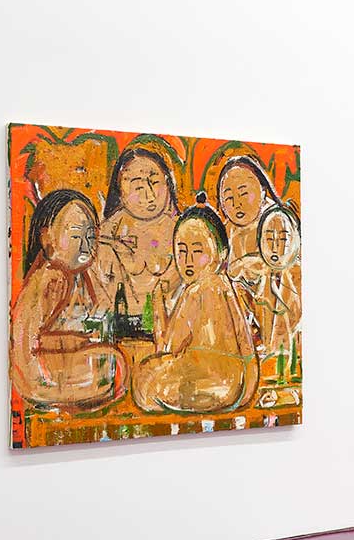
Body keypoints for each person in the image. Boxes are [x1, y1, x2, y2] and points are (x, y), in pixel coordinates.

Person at [133, 196, 259, 414]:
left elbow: (167, 349)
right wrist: (243, 391)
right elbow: (247, 351)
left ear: (222, 253)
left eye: (198, 251)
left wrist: (158, 302)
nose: (188, 260)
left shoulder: (195, 291)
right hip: (237, 387)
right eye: (182, 251)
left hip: (207, 386)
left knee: (143, 377)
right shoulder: (227, 287)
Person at [10, 189, 126, 411]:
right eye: (75, 236)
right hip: (43, 382)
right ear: (47, 238)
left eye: (90, 236)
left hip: (65, 375)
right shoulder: (52, 278)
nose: (85, 245)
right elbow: (25, 351)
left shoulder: (81, 276)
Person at [95, 146, 179, 315]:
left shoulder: (183, 230)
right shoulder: (109, 231)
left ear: (168, 183)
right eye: (137, 186)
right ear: (120, 188)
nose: (149, 195)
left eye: (154, 182)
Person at [252, 202, 302, 406]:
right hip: (268, 364)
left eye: (283, 240)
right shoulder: (260, 274)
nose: (275, 247)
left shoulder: (298, 276)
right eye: (269, 239)